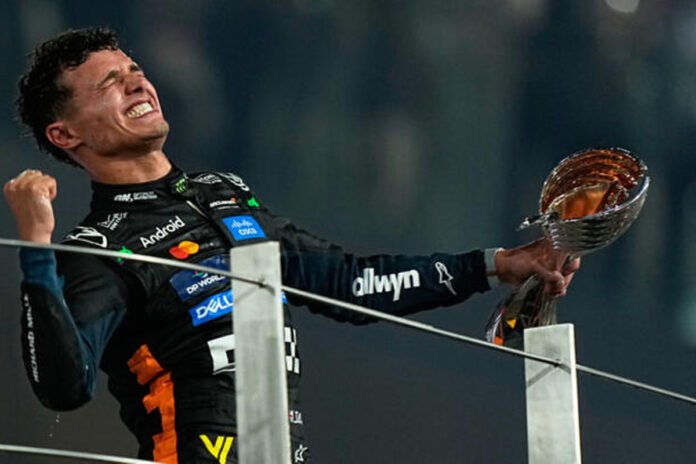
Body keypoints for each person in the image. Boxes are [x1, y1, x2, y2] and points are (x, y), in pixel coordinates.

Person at [3, 27, 579, 464]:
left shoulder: (222, 192)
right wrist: (37, 245)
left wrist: (497, 265)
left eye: (134, 70)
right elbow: (63, 386)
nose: (137, 82)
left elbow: (349, 283)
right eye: (109, 83)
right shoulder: (101, 248)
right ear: (65, 134)